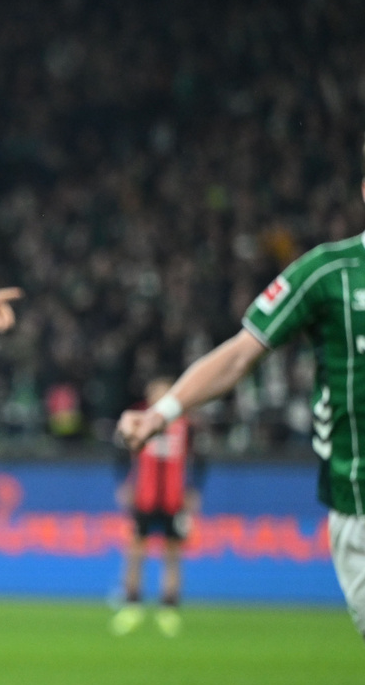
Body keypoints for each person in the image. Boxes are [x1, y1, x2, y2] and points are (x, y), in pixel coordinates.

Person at [116, 161, 365, 643]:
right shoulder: (328, 274)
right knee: (148, 544)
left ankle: (162, 603)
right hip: (358, 508)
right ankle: (141, 602)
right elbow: (238, 356)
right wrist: (162, 413)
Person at [110, 376, 204, 637]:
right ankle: (131, 605)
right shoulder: (138, 419)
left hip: (174, 498)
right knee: (135, 550)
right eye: (156, 392)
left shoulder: (186, 424)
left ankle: (169, 608)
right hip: (145, 496)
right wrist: (123, 483)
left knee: (172, 553)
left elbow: (200, 459)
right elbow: (120, 452)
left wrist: (195, 490)